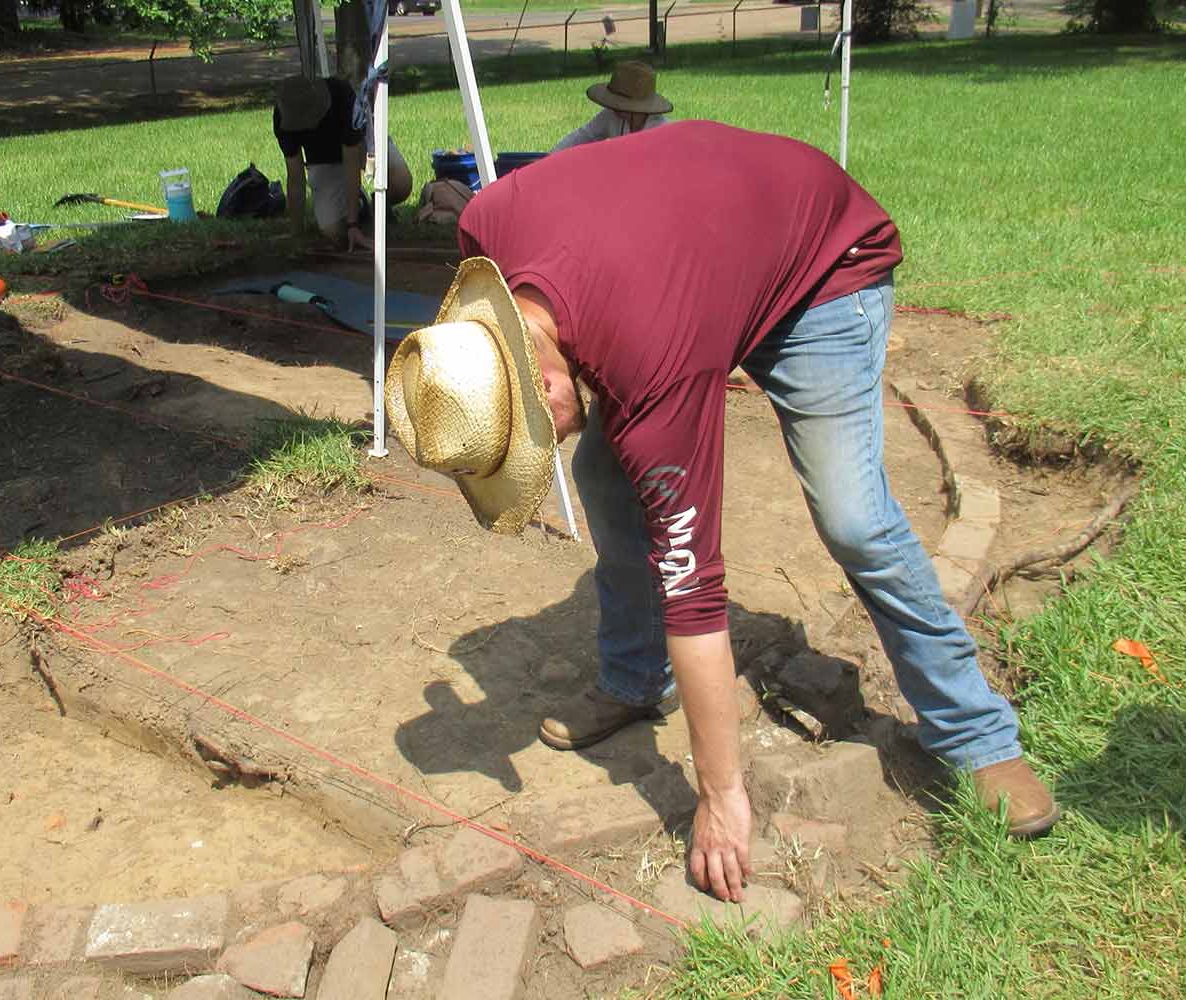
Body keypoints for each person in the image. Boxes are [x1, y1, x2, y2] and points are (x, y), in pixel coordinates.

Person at [384, 121, 1060, 904]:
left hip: (820, 264)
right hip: (699, 269)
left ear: (539, 373)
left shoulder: (654, 368)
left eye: (539, 430)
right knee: (606, 479)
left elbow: (695, 595)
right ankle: (636, 680)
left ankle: (977, 737)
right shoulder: (486, 228)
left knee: (853, 517)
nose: (551, 442)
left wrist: (720, 795)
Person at [273, 74, 413, 252]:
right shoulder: (284, 113)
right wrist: (296, 233)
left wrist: (352, 225)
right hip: (323, 161)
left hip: (361, 145)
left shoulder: (344, 98)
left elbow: (352, 164)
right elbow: (295, 179)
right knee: (333, 231)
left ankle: (375, 206)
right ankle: (360, 205)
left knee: (401, 183)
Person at [551, 61, 672, 153]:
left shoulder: (663, 131)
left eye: (619, 102)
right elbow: (584, 135)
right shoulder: (611, 115)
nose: (613, 105)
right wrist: (550, 158)